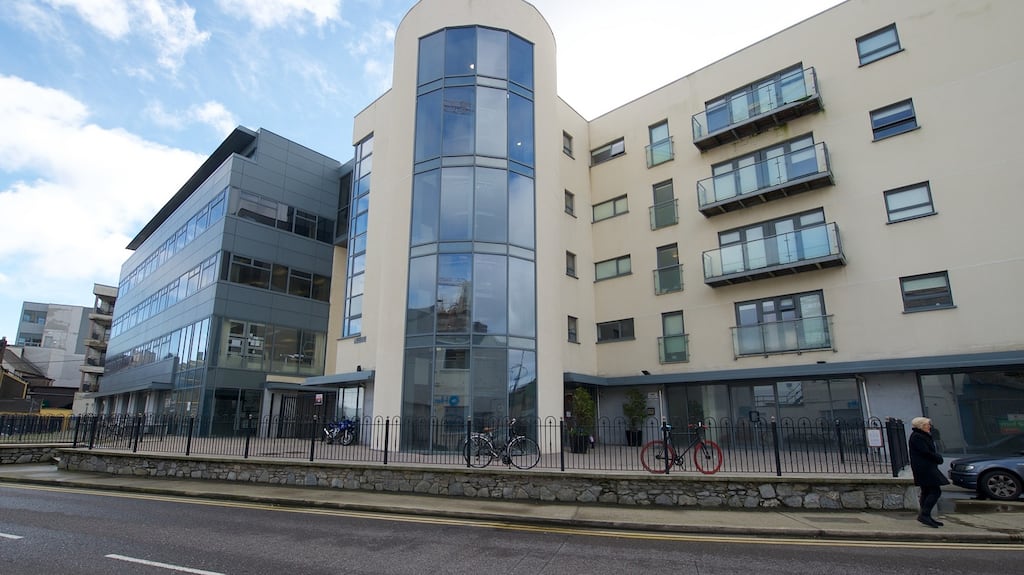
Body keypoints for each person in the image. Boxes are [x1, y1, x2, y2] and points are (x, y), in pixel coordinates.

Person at [908, 416, 948, 528]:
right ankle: (924, 514)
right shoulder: (918, 436)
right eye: (927, 424)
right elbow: (925, 452)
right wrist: (937, 458)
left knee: (926, 491)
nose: (929, 426)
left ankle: (926, 515)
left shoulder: (921, 435)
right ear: (921, 426)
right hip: (924, 467)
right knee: (935, 491)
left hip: (925, 466)